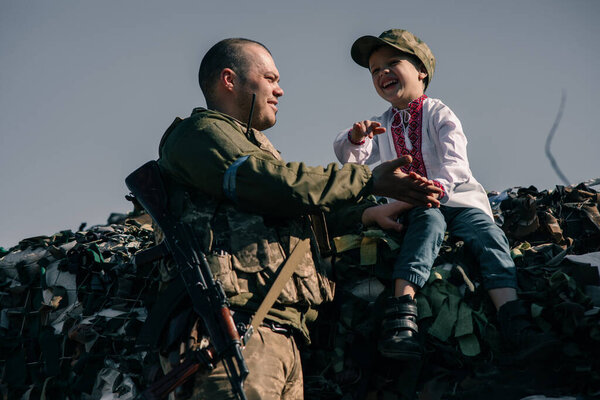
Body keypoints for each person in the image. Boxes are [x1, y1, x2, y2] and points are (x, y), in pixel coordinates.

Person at [155, 37, 442, 400]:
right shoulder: (199, 136)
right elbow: (273, 183)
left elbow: (296, 216)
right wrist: (367, 179)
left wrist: (367, 213)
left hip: (279, 335)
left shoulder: (253, 146)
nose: (280, 90)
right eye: (270, 78)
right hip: (229, 332)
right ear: (230, 79)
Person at [333, 29, 558, 362]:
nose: (382, 72)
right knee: (427, 226)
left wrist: (430, 190)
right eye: (375, 69)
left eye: (392, 62)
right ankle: (402, 315)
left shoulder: (438, 113)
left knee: (488, 235)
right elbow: (351, 162)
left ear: (421, 71)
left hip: (458, 199)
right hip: (417, 206)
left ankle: (512, 317)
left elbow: (456, 164)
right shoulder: (379, 124)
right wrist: (354, 137)